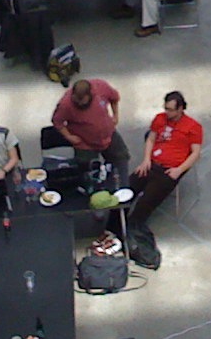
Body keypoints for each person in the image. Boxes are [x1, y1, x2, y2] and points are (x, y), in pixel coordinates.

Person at [126, 91, 202, 229]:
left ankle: (132, 226)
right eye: (166, 108)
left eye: (171, 110)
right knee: (127, 189)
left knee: (146, 201)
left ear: (180, 109)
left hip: (170, 170)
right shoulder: (159, 119)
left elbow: (196, 153)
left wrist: (179, 170)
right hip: (153, 163)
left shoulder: (193, 127)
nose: (167, 112)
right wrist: (146, 160)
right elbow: (151, 138)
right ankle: (114, 224)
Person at [51, 77, 130, 183]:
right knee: (86, 171)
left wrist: (115, 115)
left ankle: (120, 186)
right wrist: (69, 136)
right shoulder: (65, 105)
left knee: (121, 158)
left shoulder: (101, 87)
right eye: (76, 100)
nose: (79, 103)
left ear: (90, 94)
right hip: (85, 143)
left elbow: (114, 98)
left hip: (108, 134)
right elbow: (57, 122)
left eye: (82, 101)